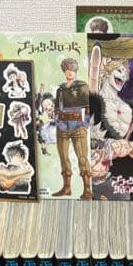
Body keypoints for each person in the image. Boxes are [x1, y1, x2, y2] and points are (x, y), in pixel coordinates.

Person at [52, 57, 90, 198]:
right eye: (67, 69)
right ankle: (66, 188)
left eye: (72, 69)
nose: (70, 72)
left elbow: (88, 107)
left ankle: (87, 190)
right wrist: (57, 121)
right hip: (62, 126)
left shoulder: (82, 86)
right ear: (64, 71)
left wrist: (85, 124)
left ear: (76, 71)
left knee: (82, 157)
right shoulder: (60, 89)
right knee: (63, 157)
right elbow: (57, 108)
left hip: (78, 125)